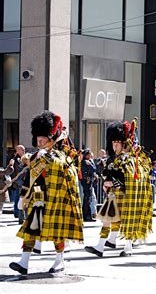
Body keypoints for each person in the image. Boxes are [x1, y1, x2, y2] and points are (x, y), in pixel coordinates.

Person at [9, 111, 83, 275]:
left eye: (42, 138)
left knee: (57, 232)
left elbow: (68, 171)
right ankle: (24, 262)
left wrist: (46, 158)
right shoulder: (38, 155)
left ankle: (59, 260)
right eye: (38, 137)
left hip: (57, 198)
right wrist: (23, 195)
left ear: (51, 137)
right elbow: (30, 176)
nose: (39, 140)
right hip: (38, 197)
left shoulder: (63, 153)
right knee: (30, 230)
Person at [85, 119, 153, 257]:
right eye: (113, 143)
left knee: (127, 220)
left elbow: (129, 178)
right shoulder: (115, 159)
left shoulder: (130, 159)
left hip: (126, 196)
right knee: (107, 220)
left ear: (124, 143)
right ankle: (100, 247)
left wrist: (114, 182)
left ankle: (128, 248)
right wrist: (107, 183)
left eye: (117, 143)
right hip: (114, 195)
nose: (114, 145)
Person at [9, 145, 26, 223]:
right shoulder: (14, 159)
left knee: (22, 199)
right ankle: (18, 215)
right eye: (17, 150)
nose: (17, 151)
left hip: (25, 182)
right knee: (17, 199)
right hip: (17, 182)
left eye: (18, 150)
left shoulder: (27, 157)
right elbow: (13, 169)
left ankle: (21, 216)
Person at [81, 149, 97, 222]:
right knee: (87, 199)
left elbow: (94, 169)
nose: (90, 155)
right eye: (88, 154)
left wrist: (91, 164)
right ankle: (86, 216)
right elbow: (92, 169)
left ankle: (88, 215)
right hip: (86, 181)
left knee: (89, 199)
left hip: (90, 181)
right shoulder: (84, 162)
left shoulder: (90, 161)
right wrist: (90, 165)